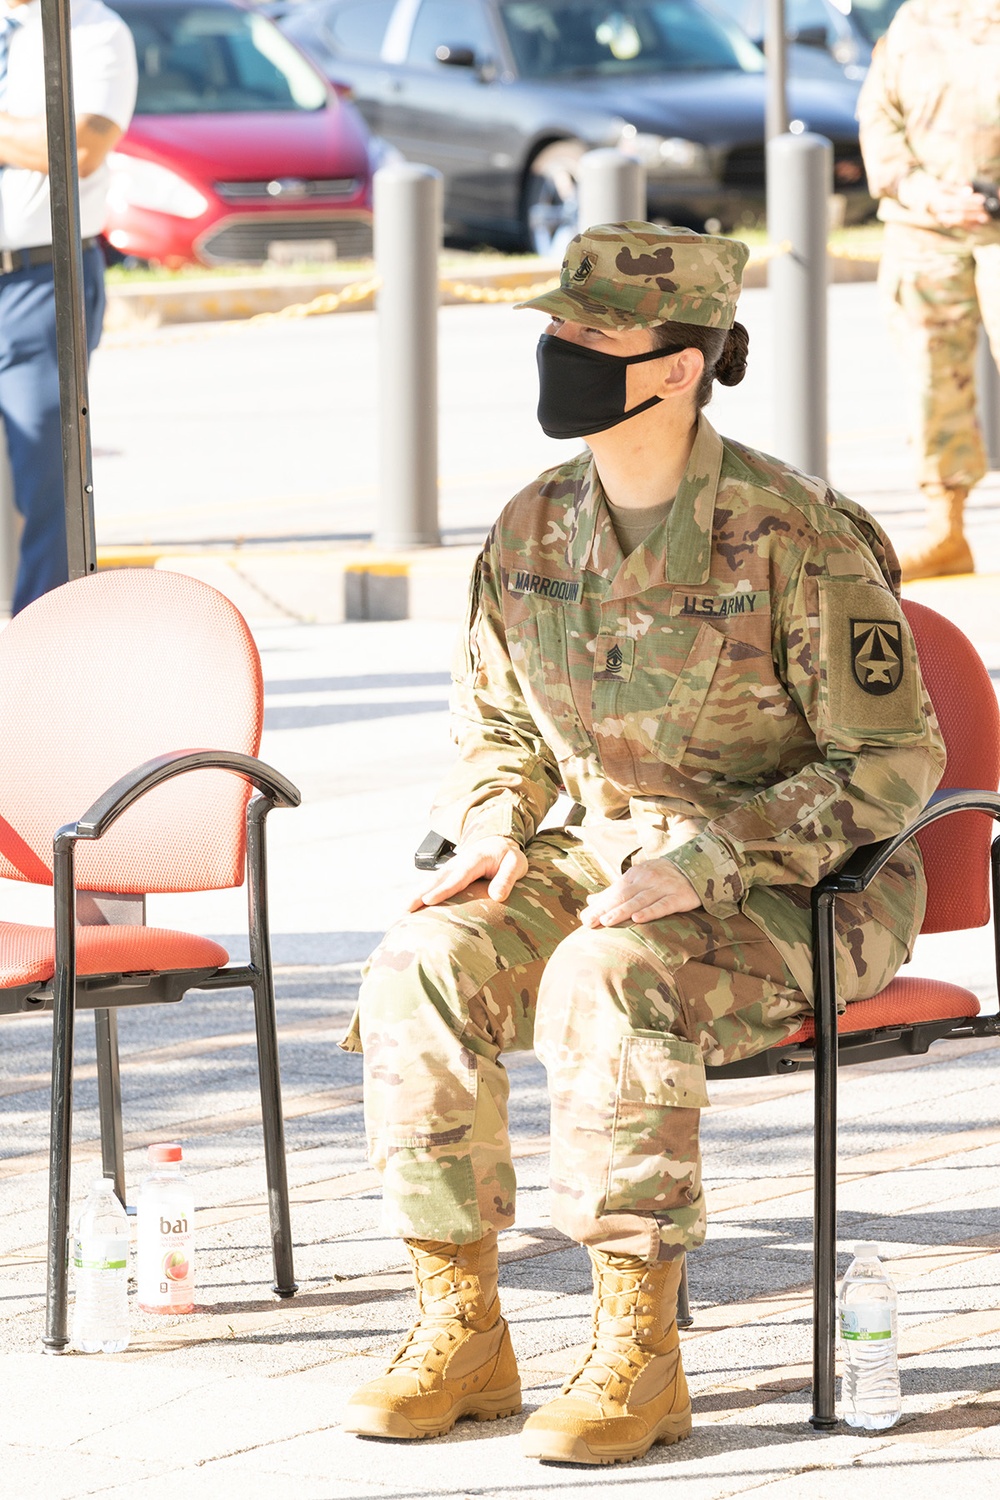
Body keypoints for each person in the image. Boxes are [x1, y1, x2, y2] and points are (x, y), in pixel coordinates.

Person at [339, 223, 945, 1466]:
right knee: (422, 960)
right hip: (606, 860)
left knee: (605, 978)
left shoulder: (798, 534)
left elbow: (892, 764)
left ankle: (640, 1350)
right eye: (558, 327)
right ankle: (462, 1327)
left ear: (679, 365)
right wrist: (496, 828)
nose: (562, 348)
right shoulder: (528, 530)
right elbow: (499, 729)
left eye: (596, 334)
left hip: (805, 886)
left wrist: (706, 863)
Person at [0, 0, 136, 613]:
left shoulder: (95, 31)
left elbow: (76, 148)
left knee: (49, 481)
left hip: (37, 278)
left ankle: (41, 656)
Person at [858, 0, 1000, 582]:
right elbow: (879, 116)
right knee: (931, 382)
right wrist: (924, 191)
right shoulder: (914, 17)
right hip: (925, 228)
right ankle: (947, 532)